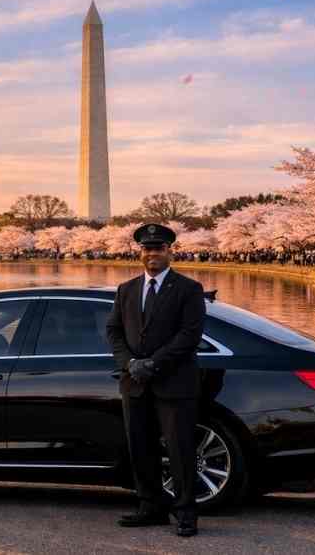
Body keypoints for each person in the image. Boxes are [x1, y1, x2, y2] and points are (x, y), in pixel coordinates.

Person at [106, 222, 206, 538]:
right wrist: (130, 363)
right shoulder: (126, 290)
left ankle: (186, 513)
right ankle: (151, 507)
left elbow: (190, 335)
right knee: (141, 448)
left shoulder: (189, 289)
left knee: (179, 450)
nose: (152, 254)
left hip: (174, 382)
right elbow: (114, 331)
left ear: (169, 252)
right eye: (147, 249)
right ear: (141, 252)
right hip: (135, 382)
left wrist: (153, 362)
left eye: (158, 248)